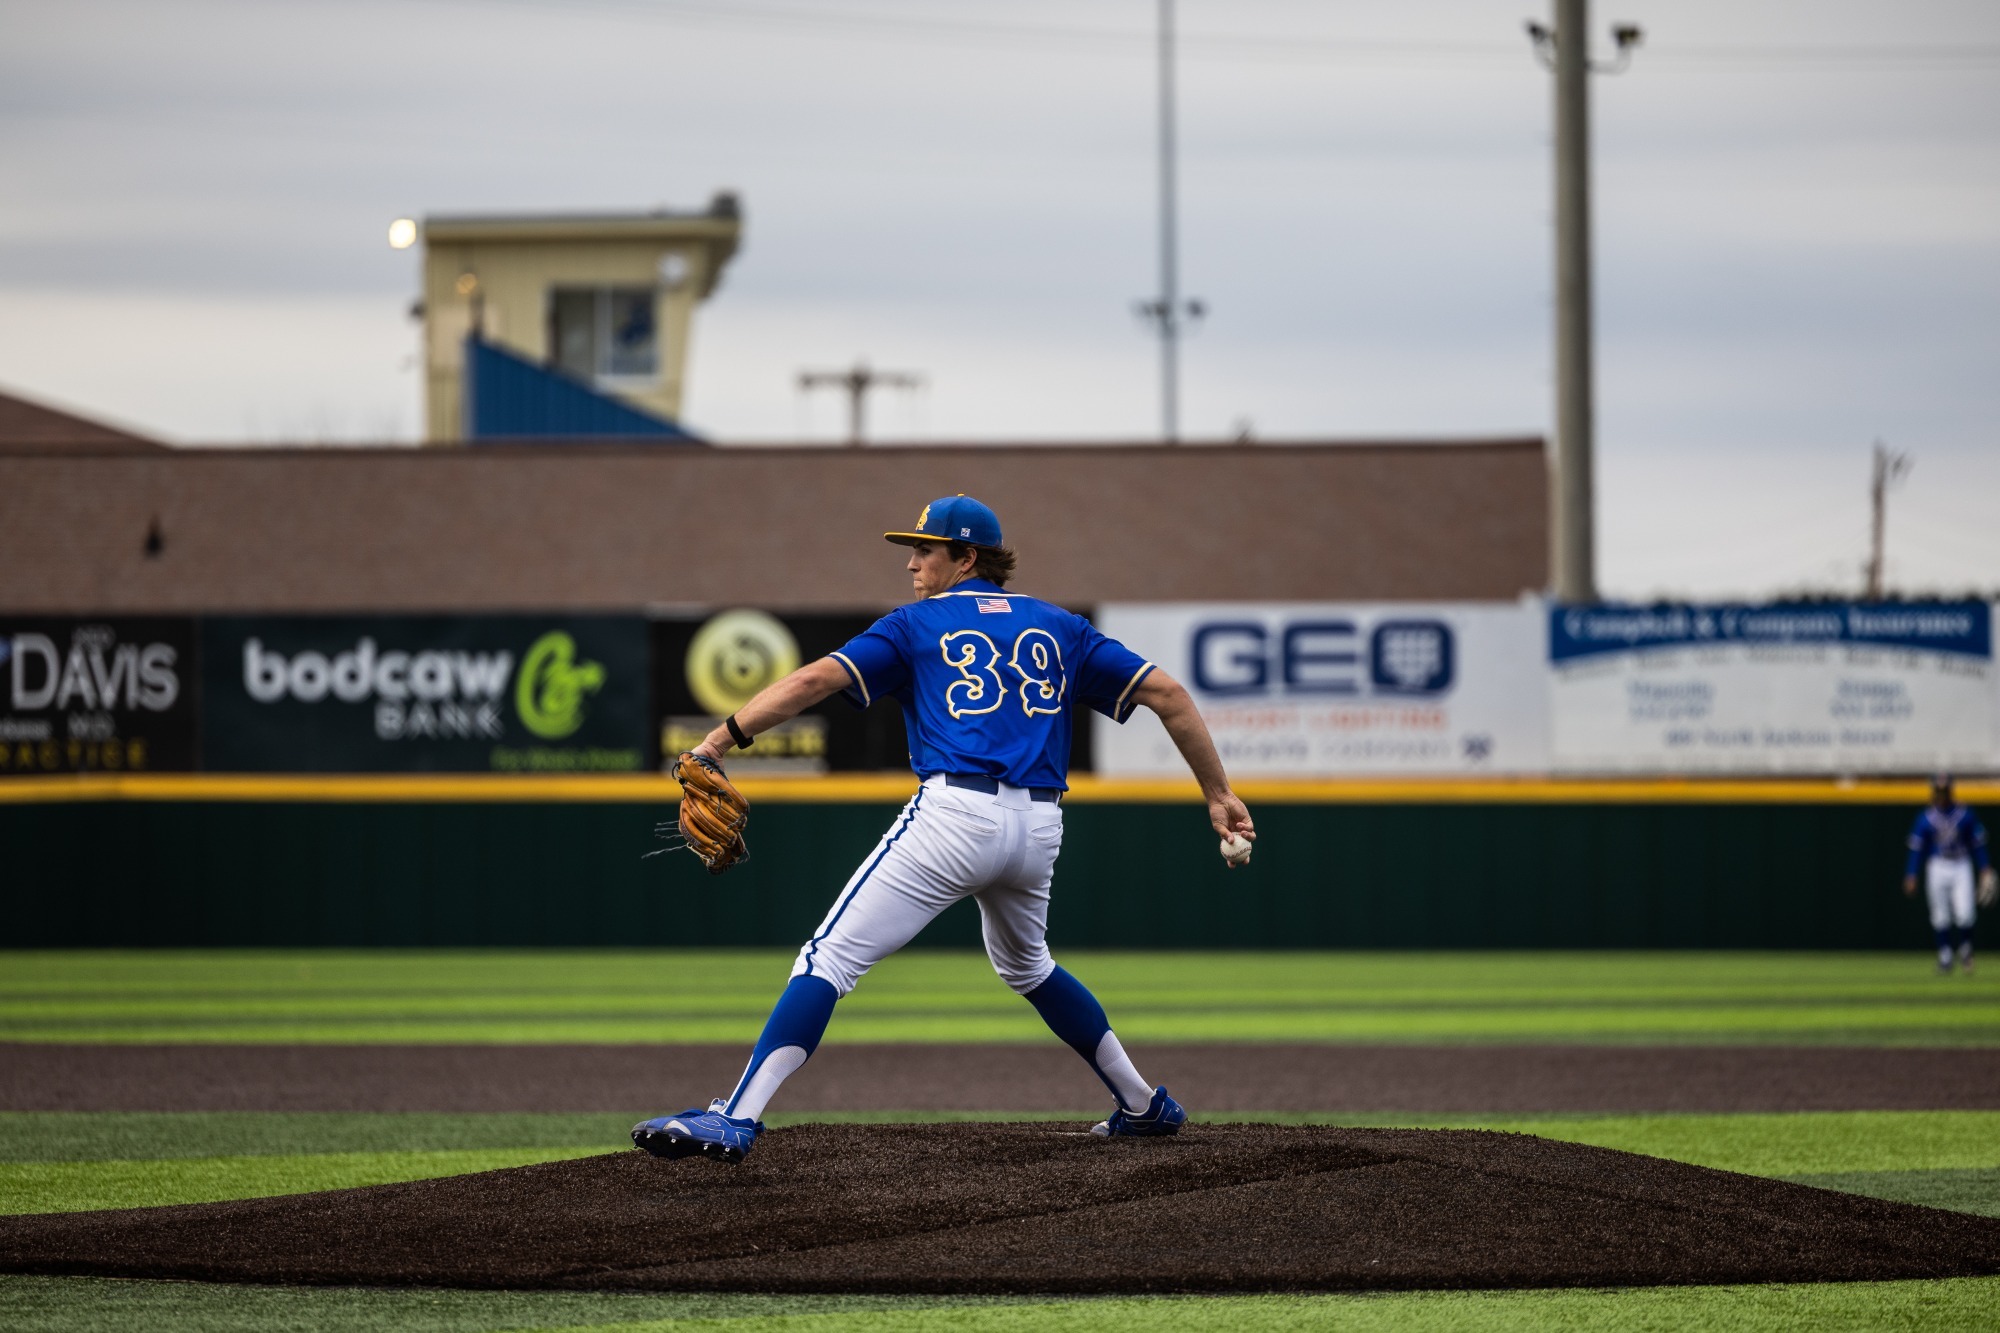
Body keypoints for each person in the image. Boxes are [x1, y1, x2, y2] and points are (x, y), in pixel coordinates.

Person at [633, 494, 1255, 1162]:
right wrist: (1218, 793)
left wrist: (718, 741)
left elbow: (816, 679)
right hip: (1039, 825)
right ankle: (1142, 1104)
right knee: (1028, 964)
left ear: (966, 557)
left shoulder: (914, 625)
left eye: (925, 549)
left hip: (957, 815)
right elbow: (1169, 695)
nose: (911, 563)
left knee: (827, 959)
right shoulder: (1062, 626)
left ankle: (736, 1116)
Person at [1903, 773, 1994, 975]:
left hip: (1961, 863)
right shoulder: (1926, 817)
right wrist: (1911, 874)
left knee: (1965, 913)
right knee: (1940, 914)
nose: (1941, 795)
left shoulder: (1964, 813)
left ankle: (1966, 950)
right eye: (1939, 790)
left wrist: (1985, 867)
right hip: (1937, 864)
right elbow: (1917, 849)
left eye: (1944, 791)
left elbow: (1978, 844)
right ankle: (1945, 956)